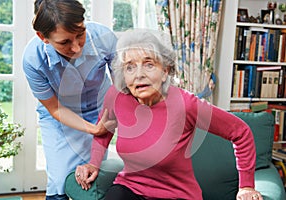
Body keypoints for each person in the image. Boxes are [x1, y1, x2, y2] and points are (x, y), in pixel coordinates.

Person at [74, 29, 263, 200]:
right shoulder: (116, 97)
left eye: (148, 65)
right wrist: (94, 163)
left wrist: (246, 185)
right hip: (130, 189)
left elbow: (241, 132)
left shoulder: (186, 104)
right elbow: (103, 131)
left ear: (165, 71)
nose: (138, 74)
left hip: (176, 196)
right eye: (130, 67)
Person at [22, 0, 117, 199]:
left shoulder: (103, 37)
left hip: (101, 109)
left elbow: (122, 83)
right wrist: (93, 129)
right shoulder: (33, 59)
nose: (76, 48)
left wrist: (111, 116)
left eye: (80, 34)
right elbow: (54, 108)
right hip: (61, 115)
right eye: (64, 42)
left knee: (91, 179)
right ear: (43, 37)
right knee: (58, 181)